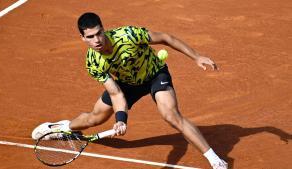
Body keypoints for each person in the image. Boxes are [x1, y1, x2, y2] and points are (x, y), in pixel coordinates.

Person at [32, 12, 228, 169]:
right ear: (82, 38)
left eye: (99, 33)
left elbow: (165, 38)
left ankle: (216, 161)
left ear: (104, 29)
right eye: (90, 36)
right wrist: (120, 120)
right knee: (95, 118)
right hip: (127, 84)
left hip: (154, 74)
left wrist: (196, 56)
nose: (97, 40)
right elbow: (116, 93)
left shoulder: (128, 35)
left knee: (170, 114)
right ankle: (63, 128)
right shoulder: (93, 62)